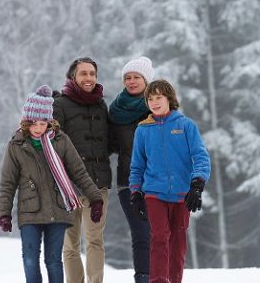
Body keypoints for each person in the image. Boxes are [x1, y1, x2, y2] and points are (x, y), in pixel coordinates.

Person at [0, 85, 104, 283]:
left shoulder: (61, 141)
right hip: (30, 212)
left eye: (44, 123)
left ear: (50, 121)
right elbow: (7, 183)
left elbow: (79, 172)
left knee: (53, 260)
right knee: (30, 259)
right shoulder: (16, 145)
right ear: (26, 122)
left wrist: (95, 198)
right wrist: (4, 213)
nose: (39, 128)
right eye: (34, 123)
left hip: (58, 209)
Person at [129, 79, 211, 283]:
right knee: (159, 237)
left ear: (169, 99)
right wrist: (136, 192)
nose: (154, 102)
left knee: (178, 242)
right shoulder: (143, 129)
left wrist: (197, 184)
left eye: (158, 97)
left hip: (182, 194)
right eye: (150, 98)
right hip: (153, 193)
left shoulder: (185, 126)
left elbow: (200, 156)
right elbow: (137, 165)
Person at [53, 57, 112, 283]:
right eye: (83, 74)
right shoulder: (60, 105)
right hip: (67, 186)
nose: (88, 78)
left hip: (97, 184)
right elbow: (53, 143)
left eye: (92, 74)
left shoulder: (101, 105)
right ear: (73, 77)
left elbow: (108, 140)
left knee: (95, 240)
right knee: (71, 244)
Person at [108, 57, 154, 283]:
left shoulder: (158, 107)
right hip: (129, 181)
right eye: (127, 77)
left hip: (158, 181)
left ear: (147, 80)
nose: (132, 81)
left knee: (161, 234)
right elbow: (106, 145)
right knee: (141, 234)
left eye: (136, 77)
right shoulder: (116, 111)